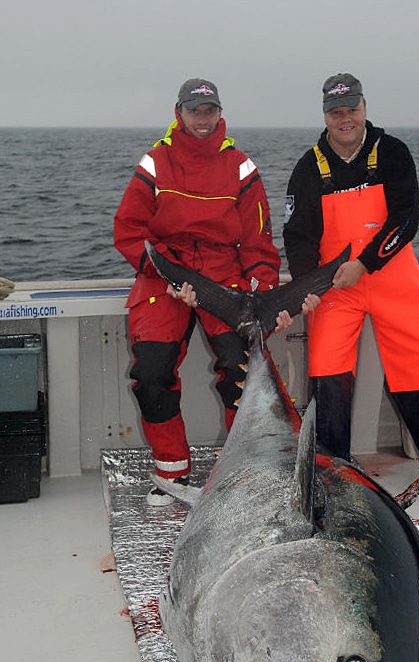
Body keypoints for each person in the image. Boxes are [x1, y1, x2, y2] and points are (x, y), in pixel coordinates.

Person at [283, 73, 419, 499]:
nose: (345, 118)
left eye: (351, 109)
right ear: (325, 116)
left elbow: (406, 219)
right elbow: (298, 237)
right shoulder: (308, 167)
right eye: (336, 112)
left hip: (391, 276)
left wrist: (365, 264)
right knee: (327, 374)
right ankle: (332, 475)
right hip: (336, 286)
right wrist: (307, 286)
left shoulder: (392, 152)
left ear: (365, 108)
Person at [114, 78, 283, 506]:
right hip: (163, 276)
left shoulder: (241, 167)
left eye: (209, 111)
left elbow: (259, 244)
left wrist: (261, 292)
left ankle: (243, 469)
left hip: (223, 278)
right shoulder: (154, 163)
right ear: (180, 113)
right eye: (195, 111)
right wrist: (168, 272)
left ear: (219, 113)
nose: (202, 119)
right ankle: (171, 472)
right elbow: (129, 231)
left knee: (242, 371)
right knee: (151, 373)